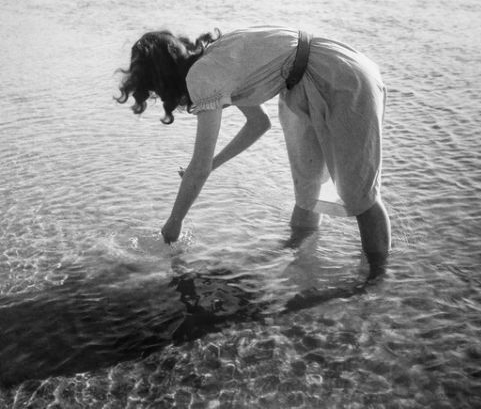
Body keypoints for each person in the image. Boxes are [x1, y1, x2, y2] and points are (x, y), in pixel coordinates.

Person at [116, 26, 391, 276]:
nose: (159, 96)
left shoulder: (202, 75)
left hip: (338, 74)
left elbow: (199, 167)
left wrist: (174, 223)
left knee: (360, 195)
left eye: (153, 89)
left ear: (161, 77)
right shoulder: (213, 67)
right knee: (308, 193)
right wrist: (212, 163)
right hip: (299, 84)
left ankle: (376, 281)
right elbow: (259, 123)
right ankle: (299, 261)